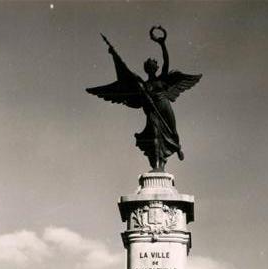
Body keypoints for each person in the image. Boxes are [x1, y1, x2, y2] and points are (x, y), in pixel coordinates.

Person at [86, 27, 202, 171]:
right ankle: (158, 165)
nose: (152, 68)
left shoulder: (162, 79)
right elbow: (125, 75)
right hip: (152, 112)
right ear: (147, 69)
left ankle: (177, 147)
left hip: (164, 106)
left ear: (156, 68)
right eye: (149, 66)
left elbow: (166, 62)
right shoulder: (143, 84)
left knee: (172, 130)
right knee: (154, 137)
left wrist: (162, 44)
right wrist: (113, 56)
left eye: (153, 66)